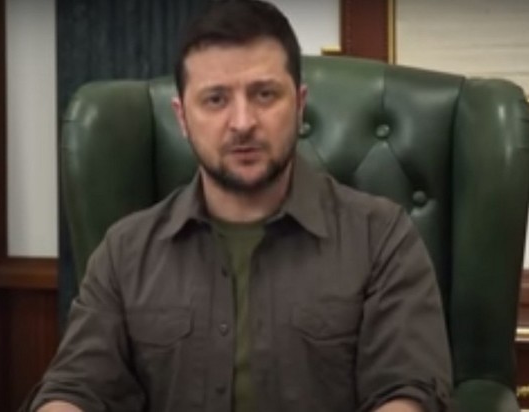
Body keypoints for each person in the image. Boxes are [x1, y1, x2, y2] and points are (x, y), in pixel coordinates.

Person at [22, 1, 452, 411]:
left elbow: (407, 389)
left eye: (264, 95)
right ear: (182, 118)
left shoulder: (381, 237)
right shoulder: (124, 252)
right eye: (216, 99)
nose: (243, 122)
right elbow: (76, 386)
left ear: (299, 105)